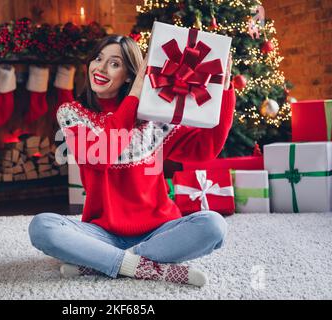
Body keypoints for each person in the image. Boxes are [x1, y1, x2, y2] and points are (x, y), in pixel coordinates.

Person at [29, 35, 236, 287]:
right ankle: (145, 267)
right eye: (98, 58)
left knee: (214, 226)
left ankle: (102, 263)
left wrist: (224, 89)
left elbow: (206, 147)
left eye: (114, 63)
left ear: (129, 74)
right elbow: (102, 154)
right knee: (42, 226)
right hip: (102, 233)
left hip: (159, 231)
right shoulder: (72, 114)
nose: (101, 68)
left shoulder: (154, 118)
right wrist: (136, 94)